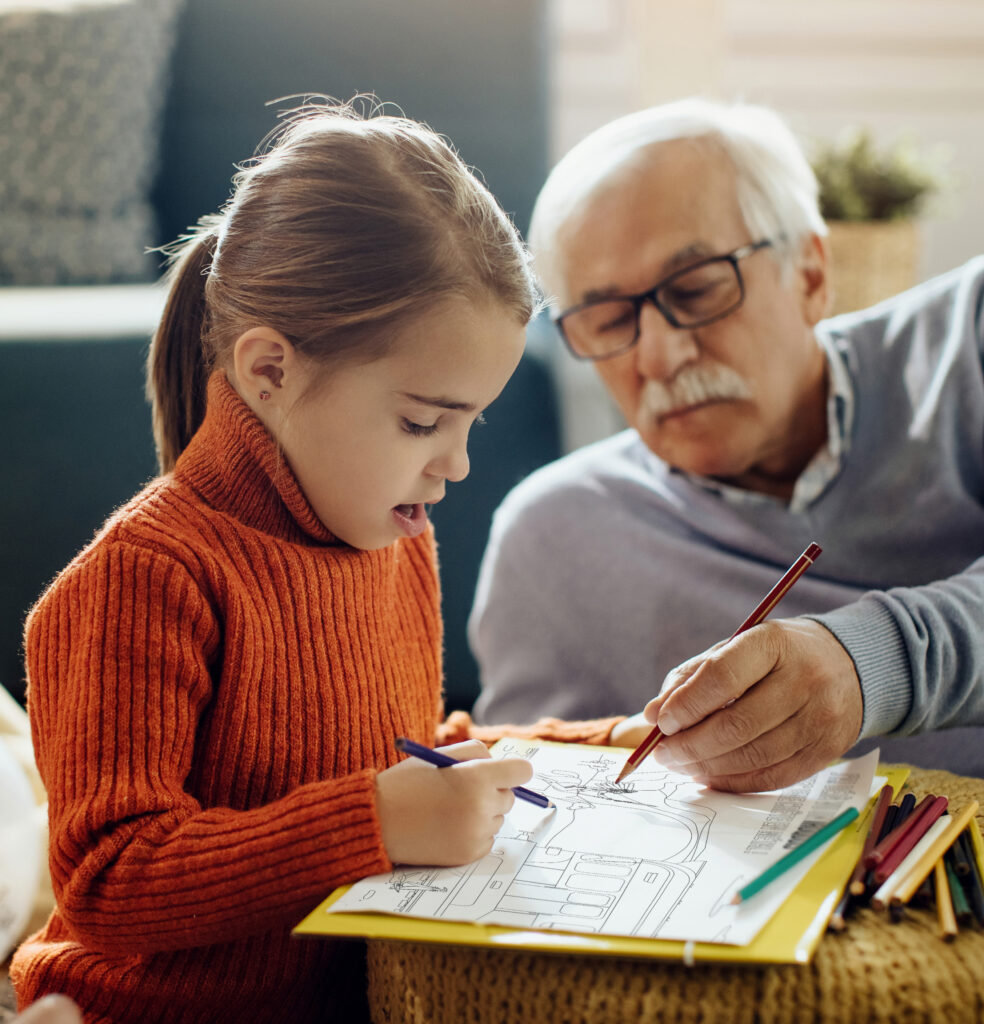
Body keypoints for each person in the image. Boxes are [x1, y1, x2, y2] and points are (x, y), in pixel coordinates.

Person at [10, 101, 629, 1024]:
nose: (456, 463)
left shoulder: (391, 536)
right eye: (424, 421)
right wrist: (374, 823)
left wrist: (598, 749)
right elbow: (110, 880)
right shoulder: (142, 579)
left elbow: (404, 752)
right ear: (269, 373)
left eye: (472, 423)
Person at [470, 96, 984, 795]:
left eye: (697, 290)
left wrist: (865, 664)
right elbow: (530, 801)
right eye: (609, 320)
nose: (661, 355)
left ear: (812, 275)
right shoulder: (556, 536)